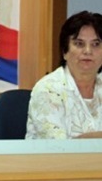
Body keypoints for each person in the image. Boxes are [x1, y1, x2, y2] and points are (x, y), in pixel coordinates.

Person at [26, 10, 102, 139]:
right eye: (79, 44)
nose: (88, 51)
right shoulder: (48, 89)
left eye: (96, 44)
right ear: (65, 52)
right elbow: (60, 146)